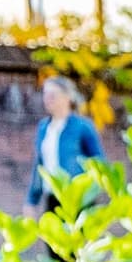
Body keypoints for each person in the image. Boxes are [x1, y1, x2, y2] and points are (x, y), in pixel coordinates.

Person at [30, 74, 106, 210]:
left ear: (67, 97)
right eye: (45, 94)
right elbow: (39, 165)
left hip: (78, 199)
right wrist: (32, 200)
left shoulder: (82, 126)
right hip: (52, 198)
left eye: (52, 95)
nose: (47, 99)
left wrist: (88, 193)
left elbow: (99, 162)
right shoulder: (43, 128)